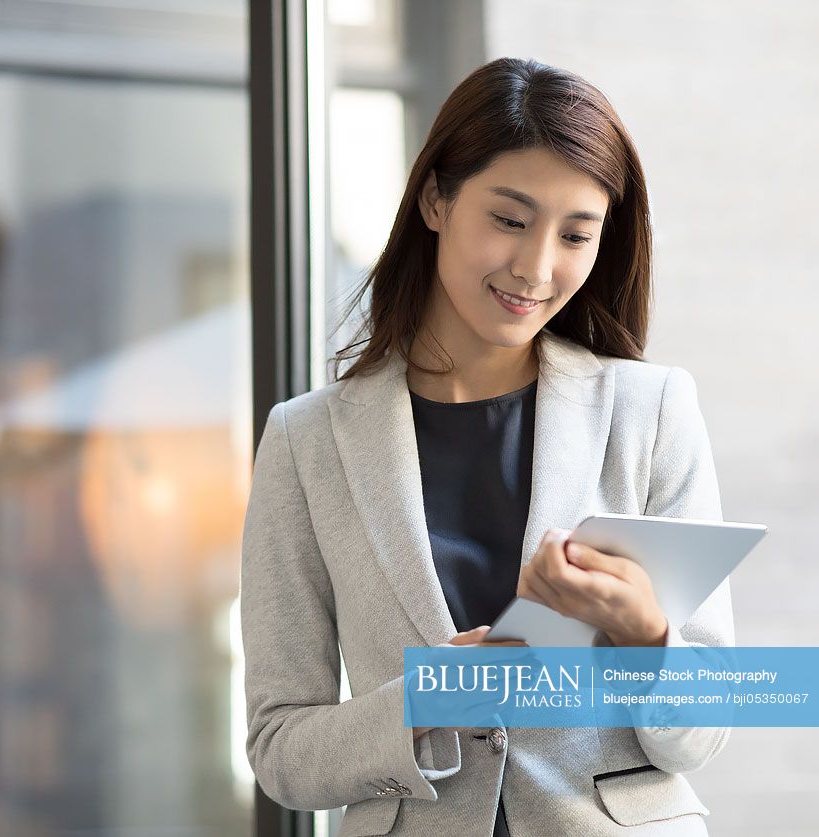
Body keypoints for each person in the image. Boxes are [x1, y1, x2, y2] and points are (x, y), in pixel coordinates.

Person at [240, 57, 733, 837]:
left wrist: (646, 634)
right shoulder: (306, 441)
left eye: (575, 234)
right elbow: (279, 748)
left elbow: (700, 735)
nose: (536, 268)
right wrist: (425, 700)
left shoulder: (651, 410)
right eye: (508, 219)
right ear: (435, 198)